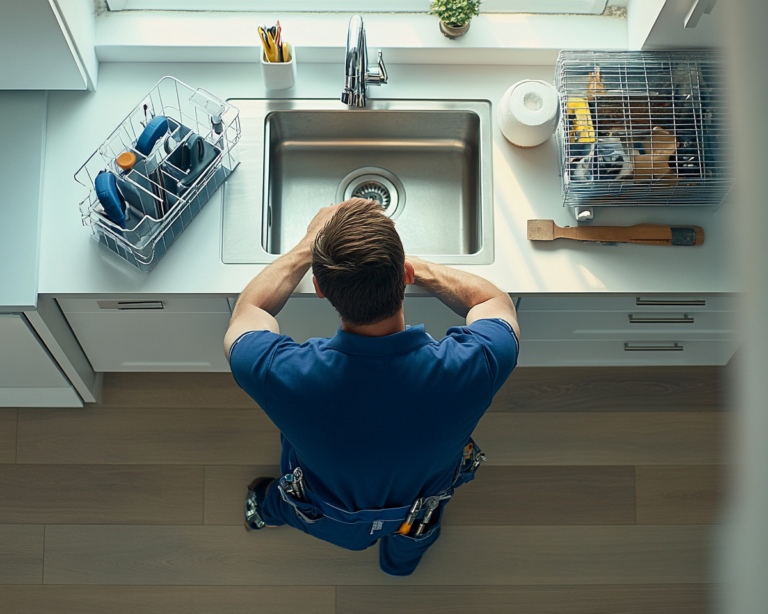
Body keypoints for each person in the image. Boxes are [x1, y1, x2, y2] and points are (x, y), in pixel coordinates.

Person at [224, 198, 520, 576]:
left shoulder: (283, 374)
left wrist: (304, 249)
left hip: (332, 516)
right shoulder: (475, 364)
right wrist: (408, 266)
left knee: (286, 504)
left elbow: (248, 313)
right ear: (407, 276)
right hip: (420, 508)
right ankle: (398, 568)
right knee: (415, 539)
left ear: (319, 288)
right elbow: (496, 302)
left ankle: (263, 511)